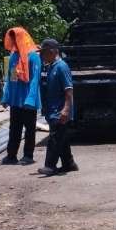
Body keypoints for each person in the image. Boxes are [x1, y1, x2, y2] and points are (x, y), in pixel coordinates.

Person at [1, 27, 42, 165]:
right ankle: (11, 155)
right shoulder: (14, 56)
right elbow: (11, 79)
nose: (13, 42)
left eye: (15, 39)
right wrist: (7, 97)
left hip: (28, 100)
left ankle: (28, 156)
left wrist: (30, 99)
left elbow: (35, 80)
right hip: (16, 100)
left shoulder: (34, 57)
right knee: (14, 128)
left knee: (30, 129)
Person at [38, 39, 79, 176]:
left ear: (52, 51)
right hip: (53, 110)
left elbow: (69, 90)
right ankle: (69, 163)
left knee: (55, 138)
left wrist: (66, 109)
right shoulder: (51, 66)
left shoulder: (61, 67)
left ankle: (50, 166)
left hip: (60, 111)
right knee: (62, 138)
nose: (42, 56)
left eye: (43, 52)